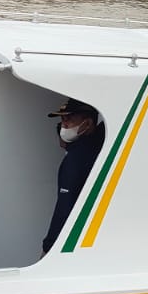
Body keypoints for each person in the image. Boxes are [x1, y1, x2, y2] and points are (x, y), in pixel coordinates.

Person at [42, 98, 106, 253]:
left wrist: (49, 246)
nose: (63, 125)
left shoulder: (77, 158)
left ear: (88, 123)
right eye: (61, 120)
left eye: (69, 119)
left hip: (65, 247)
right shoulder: (98, 147)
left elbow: (65, 208)